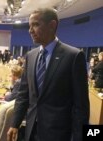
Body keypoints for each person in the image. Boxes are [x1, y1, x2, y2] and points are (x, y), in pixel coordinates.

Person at [7, 8, 89, 141]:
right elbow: (23, 95)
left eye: (35, 24)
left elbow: (81, 106)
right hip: (31, 131)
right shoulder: (30, 56)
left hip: (59, 134)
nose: (30, 30)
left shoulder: (73, 56)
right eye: (29, 26)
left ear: (52, 25)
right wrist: (15, 124)